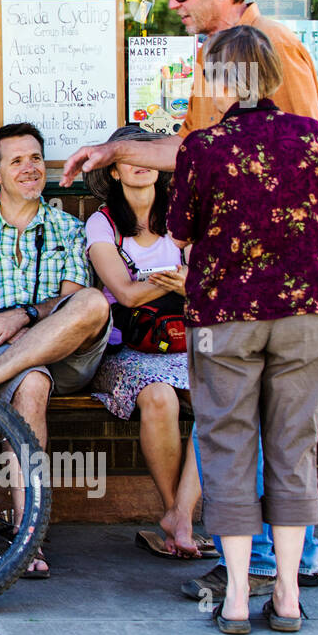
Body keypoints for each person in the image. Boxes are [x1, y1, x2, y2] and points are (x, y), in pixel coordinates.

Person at [60, 0, 318, 599]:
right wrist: (110, 152)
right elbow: (194, 148)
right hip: (247, 285)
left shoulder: (268, 49)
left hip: (265, 287)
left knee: (253, 426)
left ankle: (272, 570)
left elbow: (306, 156)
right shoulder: (220, 54)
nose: (175, 5)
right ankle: (286, 565)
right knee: (257, 426)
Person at [166, 24, 318, 632]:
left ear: (224, 81)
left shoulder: (201, 148)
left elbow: (181, 232)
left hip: (224, 317)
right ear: (273, 75)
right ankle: (284, 593)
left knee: (227, 448)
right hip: (308, 314)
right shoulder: (315, 138)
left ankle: (231, 599)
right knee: (293, 448)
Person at [0, 122, 111, 577]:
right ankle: (29, 536)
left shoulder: (69, 229)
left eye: (35, 158)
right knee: (30, 382)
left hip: (66, 354)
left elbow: (73, 302)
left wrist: (24, 316)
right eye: (17, 161)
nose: (30, 168)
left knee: (91, 301)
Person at [84, 125, 211, 560]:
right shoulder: (102, 224)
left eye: (150, 156)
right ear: (114, 172)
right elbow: (126, 293)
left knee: (218, 396)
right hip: (128, 349)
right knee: (159, 398)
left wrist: (186, 283)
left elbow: (211, 286)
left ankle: (181, 515)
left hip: (184, 344)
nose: (142, 164)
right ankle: (169, 507)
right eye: (129, 157)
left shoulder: (184, 215)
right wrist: (178, 282)